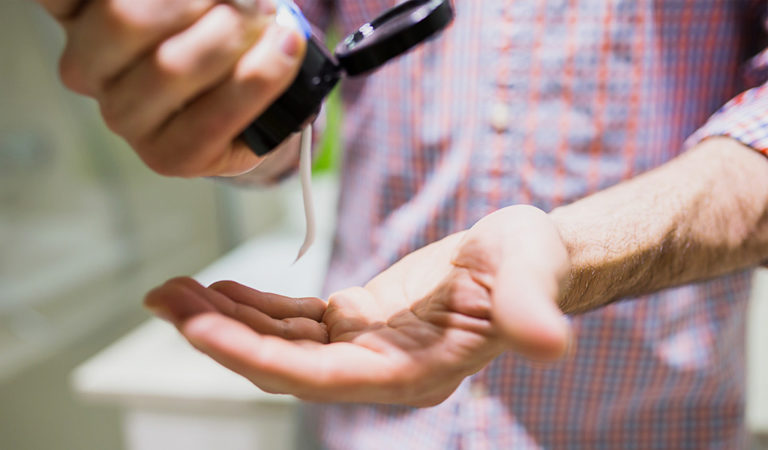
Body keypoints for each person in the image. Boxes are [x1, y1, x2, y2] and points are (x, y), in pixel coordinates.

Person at [34, 0, 768, 447]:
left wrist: (578, 250)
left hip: (648, 424)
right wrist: (226, 99)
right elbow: (276, 47)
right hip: (360, 414)